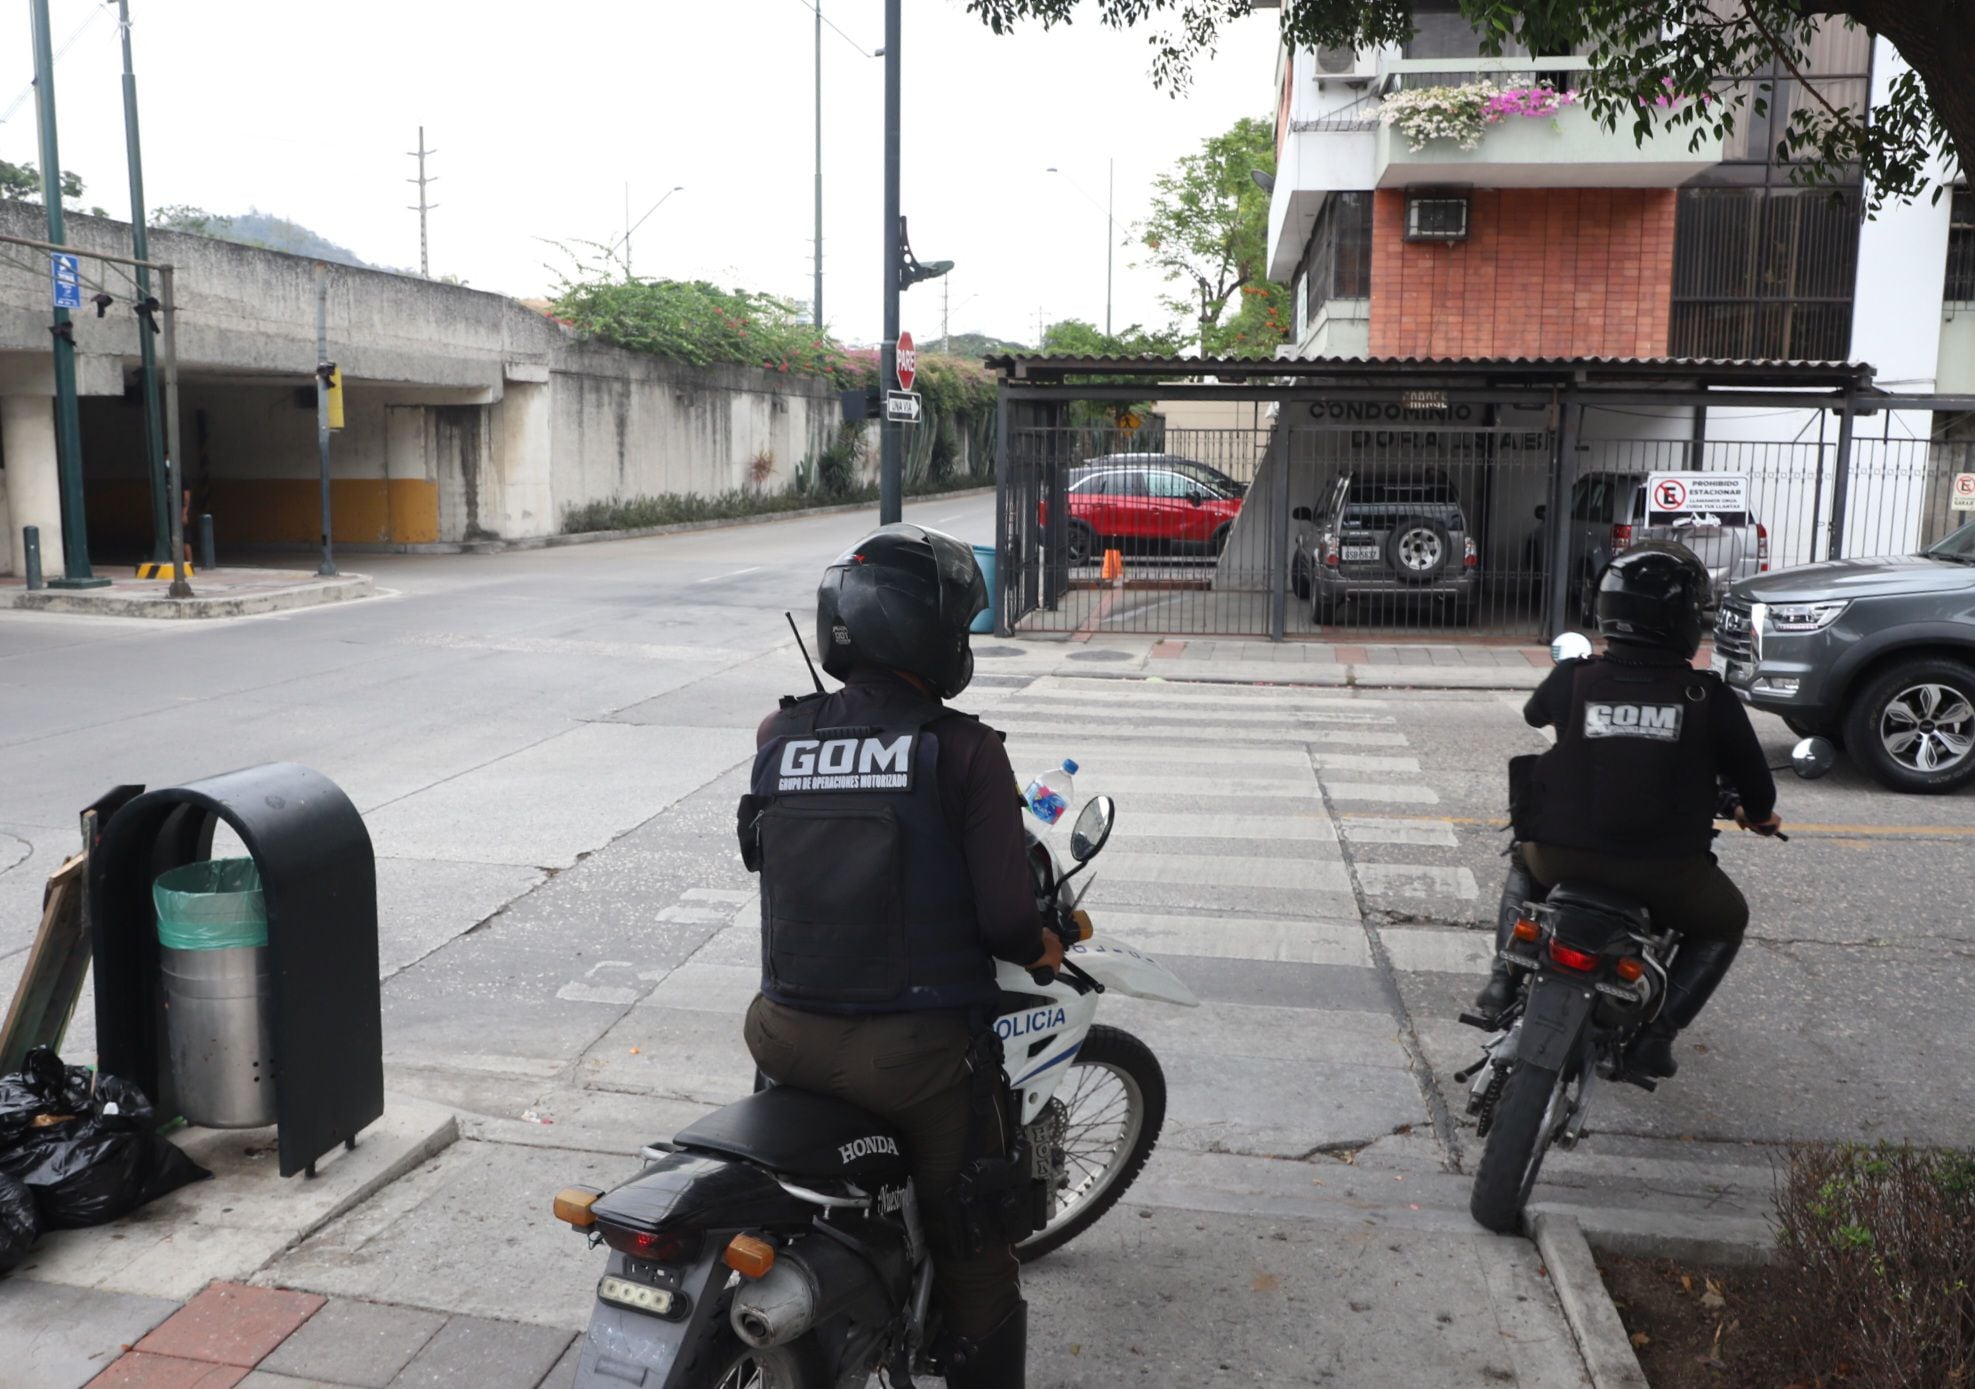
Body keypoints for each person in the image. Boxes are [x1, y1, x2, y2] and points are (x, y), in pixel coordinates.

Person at [737, 523, 1059, 1388]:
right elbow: (1004, 922)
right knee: (976, 1236)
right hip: (909, 1060)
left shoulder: (780, 732)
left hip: (780, 1030)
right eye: (957, 627)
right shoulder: (964, 751)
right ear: (929, 635)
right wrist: (1046, 941)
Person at [1472, 541, 1781, 1078]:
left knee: (1522, 857)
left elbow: (1533, 714)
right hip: (1664, 872)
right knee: (1727, 920)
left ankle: (1502, 983)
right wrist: (1756, 813)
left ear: (1608, 611)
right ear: (1685, 619)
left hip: (1559, 855)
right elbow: (1759, 790)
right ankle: (1654, 1039)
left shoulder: (1576, 676)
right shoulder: (1707, 697)